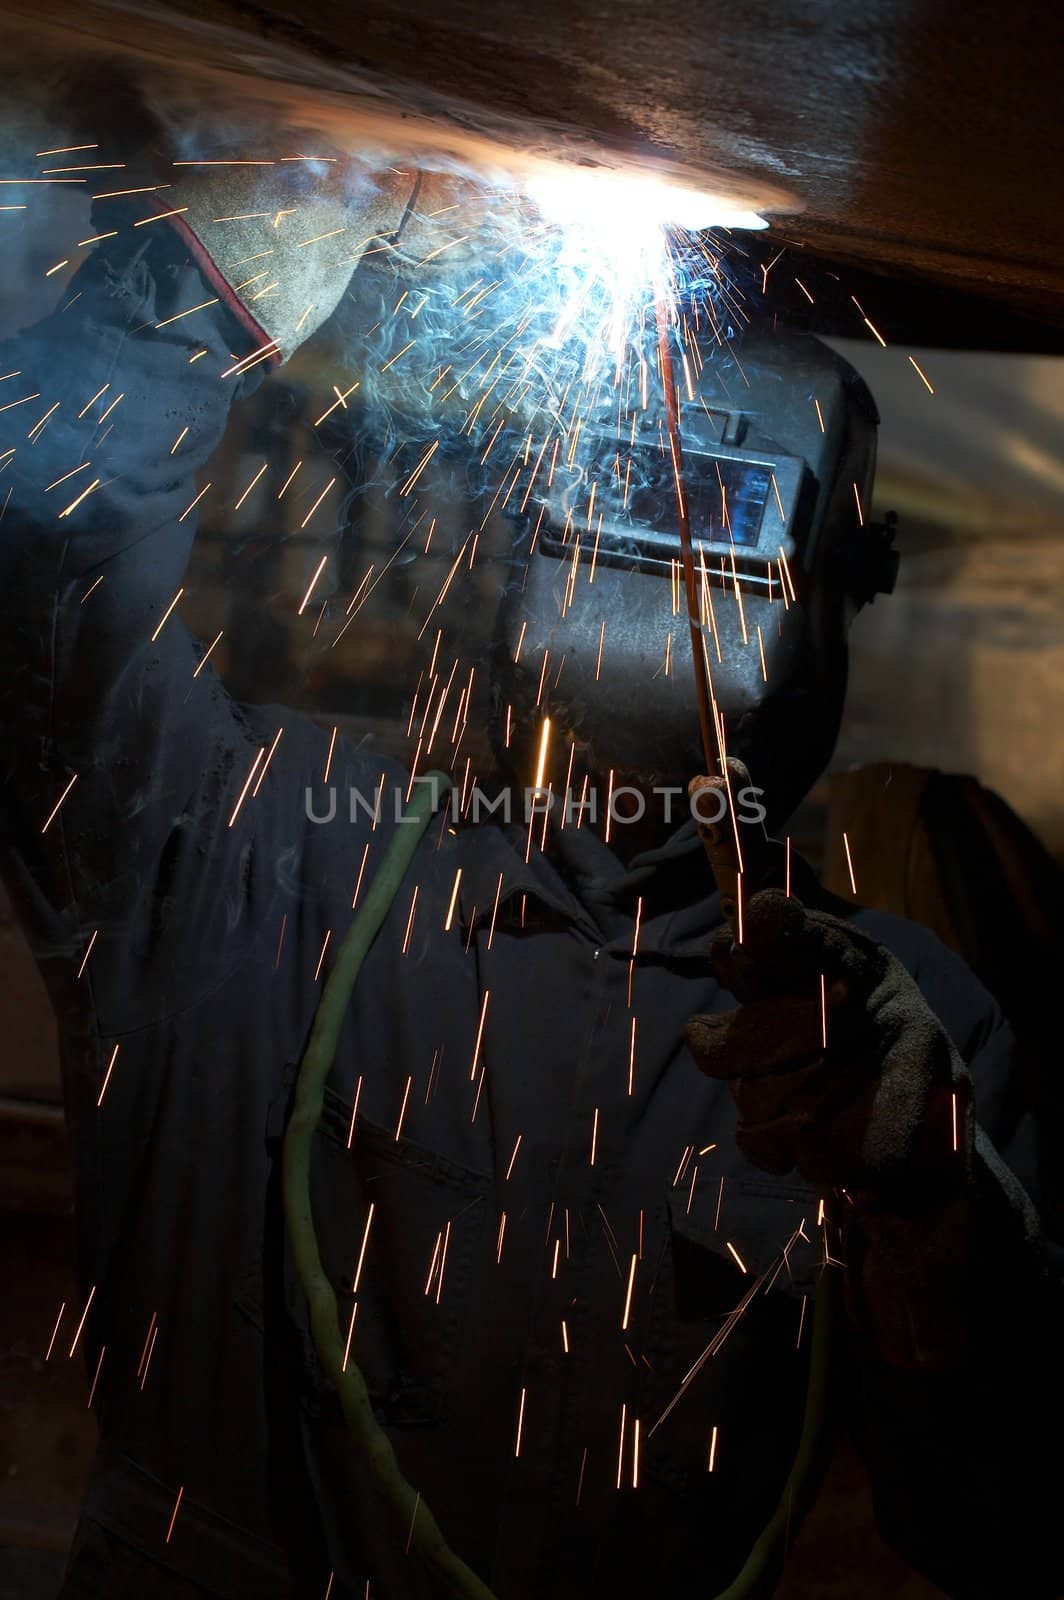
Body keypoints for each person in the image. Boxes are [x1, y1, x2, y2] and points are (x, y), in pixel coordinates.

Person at [0, 154, 1059, 1600]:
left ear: (830, 584)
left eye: (718, 513)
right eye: (633, 490)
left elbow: (1008, 1525)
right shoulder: (262, 855)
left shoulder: (880, 1041)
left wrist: (934, 1209)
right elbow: (41, 539)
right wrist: (223, 260)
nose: (671, 547)